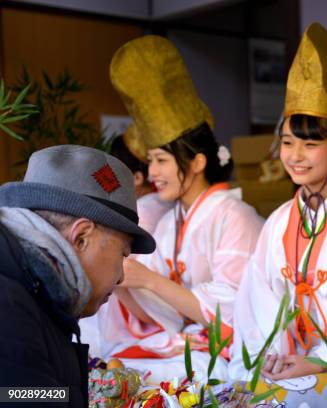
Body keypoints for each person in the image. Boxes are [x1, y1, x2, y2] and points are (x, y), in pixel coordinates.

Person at [228, 23, 327, 405]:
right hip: (285, 365)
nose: (295, 156)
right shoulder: (280, 220)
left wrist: (323, 360)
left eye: (310, 143)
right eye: (287, 142)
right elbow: (256, 303)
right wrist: (271, 357)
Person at [85, 35, 263, 383]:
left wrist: (148, 279)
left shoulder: (234, 215)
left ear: (197, 162)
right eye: (151, 161)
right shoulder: (170, 221)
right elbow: (164, 315)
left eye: (161, 161)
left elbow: (234, 312)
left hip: (293, 350)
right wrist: (121, 280)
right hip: (191, 343)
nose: (152, 174)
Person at [0, 145, 156, 407]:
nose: (119, 278)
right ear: (81, 236)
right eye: (123, 254)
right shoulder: (9, 307)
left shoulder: (29, 283)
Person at [109, 124, 172, 235]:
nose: (112, 183)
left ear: (137, 178)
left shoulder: (139, 212)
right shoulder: (167, 201)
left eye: (116, 176)